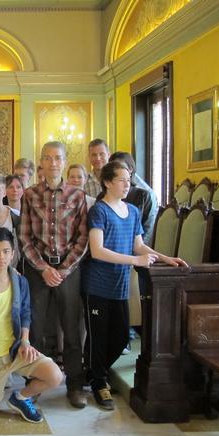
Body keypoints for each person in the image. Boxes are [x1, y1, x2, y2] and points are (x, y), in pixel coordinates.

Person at [82, 160, 187, 410]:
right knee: (98, 338)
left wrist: (165, 258)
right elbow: (97, 251)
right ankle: (99, 382)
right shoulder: (99, 211)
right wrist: (134, 260)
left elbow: (139, 246)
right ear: (108, 182)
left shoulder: (132, 211)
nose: (127, 185)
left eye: (129, 180)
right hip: (97, 285)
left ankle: (94, 373)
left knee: (120, 338)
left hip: (119, 286)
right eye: (122, 180)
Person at [0, 227, 64, 422]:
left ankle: (21, 397)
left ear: (13, 254)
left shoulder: (20, 282)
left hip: (17, 351)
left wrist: (25, 341)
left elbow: (25, 313)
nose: (1, 257)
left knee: (55, 376)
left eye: (6, 251)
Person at [20, 141, 89, 409]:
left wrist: (63, 270)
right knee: (36, 330)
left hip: (68, 270)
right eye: (47, 158)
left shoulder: (77, 196)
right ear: (41, 162)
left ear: (64, 161)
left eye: (57, 158)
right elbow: (24, 237)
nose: (52, 163)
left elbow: (82, 238)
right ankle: (35, 383)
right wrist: (43, 268)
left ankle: (75, 386)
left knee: (71, 329)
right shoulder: (30, 194)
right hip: (38, 269)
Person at [107, 152, 158, 245]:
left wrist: (136, 250)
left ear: (130, 170)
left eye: (122, 167)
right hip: (110, 247)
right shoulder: (103, 197)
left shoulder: (144, 196)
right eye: (115, 168)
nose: (118, 171)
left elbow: (147, 229)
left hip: (138, 246)